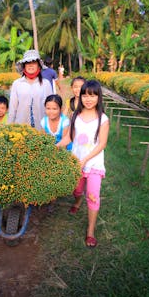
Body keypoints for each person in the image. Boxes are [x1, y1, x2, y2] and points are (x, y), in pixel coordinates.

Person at [56, 80, 109, 248]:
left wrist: (85, 160)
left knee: (92, 196)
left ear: (99, 98)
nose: (88, 99)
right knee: (76, 190)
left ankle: (90, 232)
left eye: (92, 96)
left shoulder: (103, 119)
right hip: (76, 162)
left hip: (93, 164)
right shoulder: (75, 116)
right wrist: (55, 146)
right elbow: (69, 137)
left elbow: (102, 144)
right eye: (85, 95)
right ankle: (77, 201)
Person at [8, 50, 53, 130]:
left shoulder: (46, 84)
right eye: (28, 63)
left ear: (39, 66)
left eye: (34, 62)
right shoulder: (17, 84)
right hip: (20, 129)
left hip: (41, 128)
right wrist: (9, 128)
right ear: (24, 66)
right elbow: (13, 108)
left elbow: (51, 107)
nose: (31, 65)